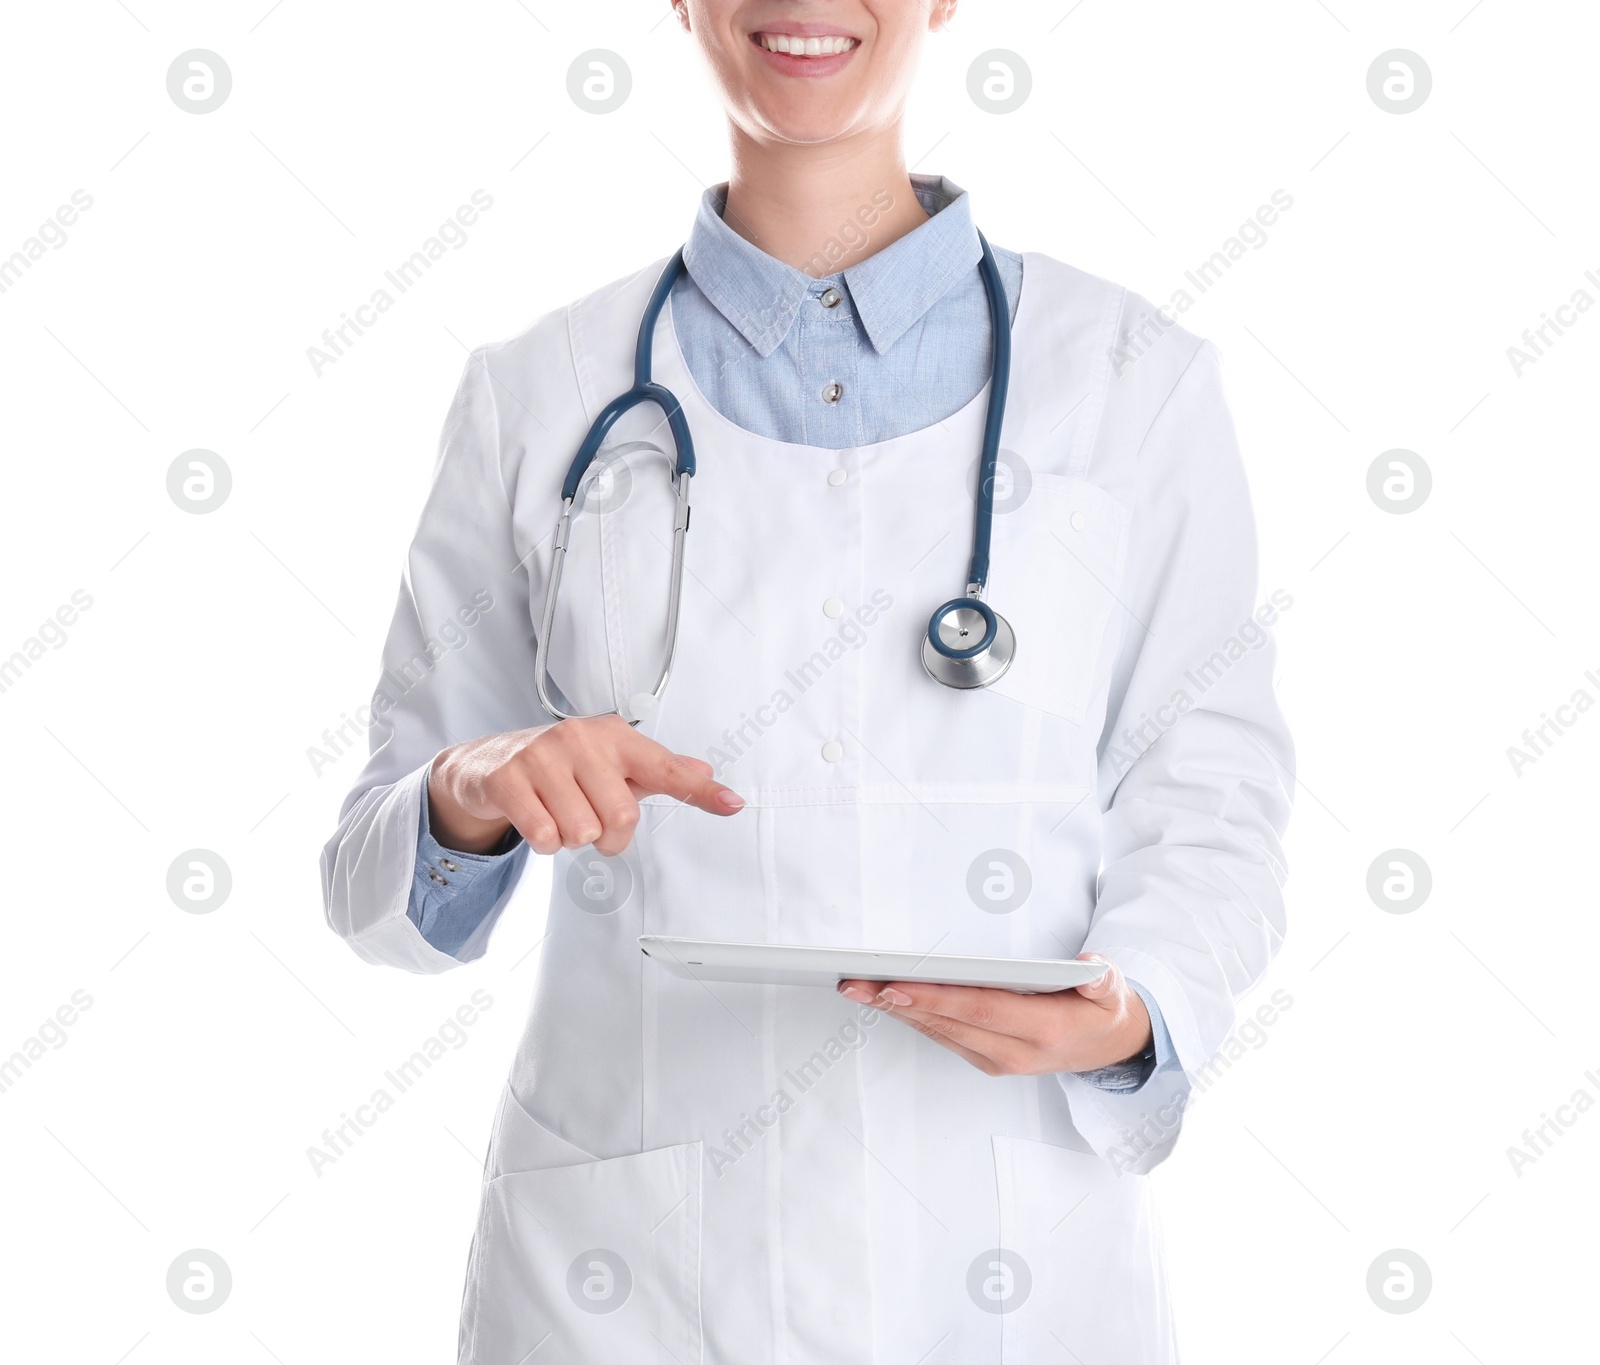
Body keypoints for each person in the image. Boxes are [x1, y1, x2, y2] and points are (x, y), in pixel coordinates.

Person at [322, 2, 1294, 1360]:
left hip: (1015, 1259)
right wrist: (469, 787)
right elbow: (374, 889)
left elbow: (1215, 810)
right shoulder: (531, 397)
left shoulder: (1137, 387)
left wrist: (1133, 1007)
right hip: (630, 1285)